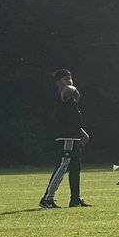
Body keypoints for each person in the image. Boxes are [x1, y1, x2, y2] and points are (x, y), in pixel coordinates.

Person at [39, 69, 91, 209]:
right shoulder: (64, 95)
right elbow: (68, 89)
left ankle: (75, 200)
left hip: (73, 137)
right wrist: (74, 90)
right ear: (58, 83)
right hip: (66, 137)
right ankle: (47, 199)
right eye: (65, 79)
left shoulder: (71, 101)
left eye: (70, 78)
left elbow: (72, 121)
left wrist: (82, 134)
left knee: (75, 169)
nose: (69, 81)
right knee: (63, 167)